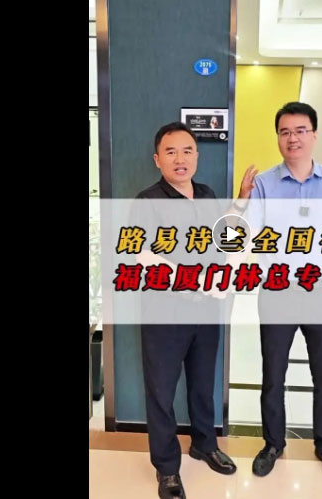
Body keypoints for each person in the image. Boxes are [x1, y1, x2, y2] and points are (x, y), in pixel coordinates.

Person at [134, 122, 255, 499]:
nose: (180, 158)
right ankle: (167, 468)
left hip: (205, 314)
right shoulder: (146, 201)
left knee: (204, 384)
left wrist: (241, 201)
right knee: (161, 392)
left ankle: (204, 445)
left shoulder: (206, 194)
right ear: (157, 160)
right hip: (164, 315)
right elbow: (144, 257)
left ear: (197, 156)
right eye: (170, 152)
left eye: (187, 150)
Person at [246, 102, 322, 484]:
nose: (292, 138)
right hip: (277, 291)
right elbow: (245, 236)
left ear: (314, 134)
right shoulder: (264, 184)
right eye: (284, 132)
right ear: (278, 137)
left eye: (300, 130)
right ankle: (273, 444)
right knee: (273, 375)